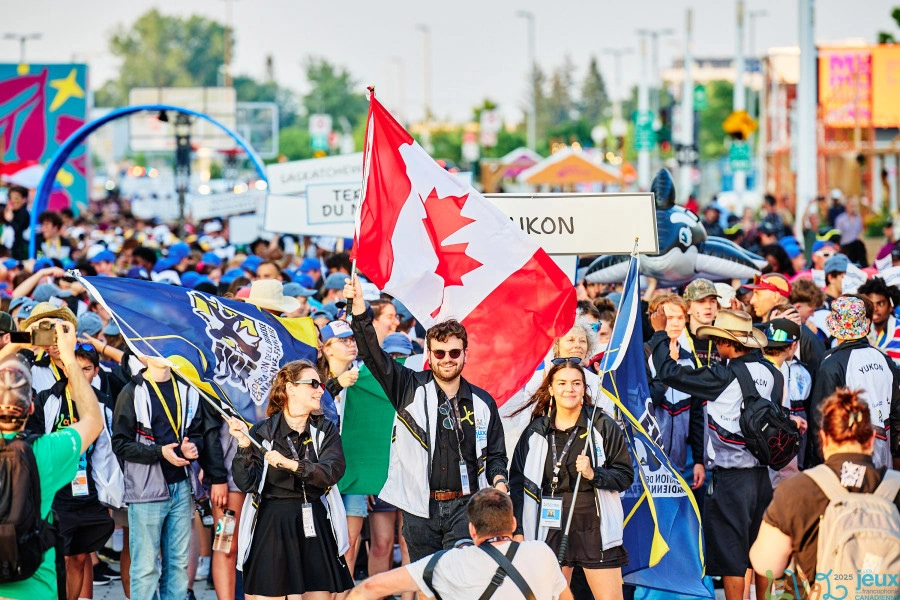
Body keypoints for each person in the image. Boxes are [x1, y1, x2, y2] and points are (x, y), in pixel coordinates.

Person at [345, 274, 509, 561]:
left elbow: (496, 454)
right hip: (420, 507)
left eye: (454, 352)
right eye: (440, 352)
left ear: (465, 355)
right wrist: (359, 308)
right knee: (427, 584)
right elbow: (372, 354)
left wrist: (499, 484)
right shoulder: (408, 387)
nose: (447, 358)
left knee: (458, 580)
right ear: (429, 356)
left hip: (466, 506)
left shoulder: (483, 402)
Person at [648, 308, 782, 600]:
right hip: (764, 477)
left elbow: (670, 373)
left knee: (733, 556)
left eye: (718, 340)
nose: (716, 347)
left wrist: (659, 334)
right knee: (763, 550)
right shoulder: (773, 373)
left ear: (728, 343)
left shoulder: (724, 374)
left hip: (732, 479)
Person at [750, 389, 900, 598]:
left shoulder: (796, 490)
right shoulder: (896, 487)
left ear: (824, 438)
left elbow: (766, 563)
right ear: (872, 439)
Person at [229, 359, 353, 599]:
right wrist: (244, 446)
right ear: (290, 387)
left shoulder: (325, 429)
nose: (320, 389)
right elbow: (247, 483)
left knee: (318, 595)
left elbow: (333, 471)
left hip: (314, 519)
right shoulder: (261, 431)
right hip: (272, 522)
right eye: (313, 384)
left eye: (321, 385)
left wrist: (292, 465)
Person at [509, 361, 633, 600]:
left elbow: (625, 476)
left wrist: (594, 474)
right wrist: (520, 530)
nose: (570, 389)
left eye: (576, 383)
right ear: (551, 389)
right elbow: (518, 484)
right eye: (562, 383)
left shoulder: (602, 424)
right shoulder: (536, 431)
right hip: (550, 524)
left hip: (595, 525)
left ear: (584, 389)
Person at [0, 323, 104, 599]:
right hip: (35, 583)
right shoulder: (45, 451)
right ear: (32, 407)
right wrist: (69, 358)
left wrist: (22, 339)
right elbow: (93, 421)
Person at [24, 343, 122, 600]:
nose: (81, 373)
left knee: (80, 558)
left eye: (87, 369)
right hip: (58, 494)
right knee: (63, 559)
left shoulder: (104, 404)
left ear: (96, 371)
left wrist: (109, 492)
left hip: (90, 493)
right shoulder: (47, 399)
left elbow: (110, 451)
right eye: (75, 368)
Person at [347, 488, 573, 600]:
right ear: (513, 524)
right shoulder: (541, 553)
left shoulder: (447, 563)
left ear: (472, 530)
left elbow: (370, 588)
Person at [110, 357, 213, 600]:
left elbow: (196, 433)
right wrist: (159, 452)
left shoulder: (187, 389)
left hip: (181, 486)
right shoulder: (132, 391)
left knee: (177, 565)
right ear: (142, 354)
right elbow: (120, 444)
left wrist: (192, 447)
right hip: (146, 490)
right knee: (145, 568)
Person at [808, 296, 900, 470]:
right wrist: (895, 451)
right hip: (885, 449)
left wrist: (820, 460)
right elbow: (897, 409)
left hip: (849, 452)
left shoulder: (831, 363)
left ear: (835, 328)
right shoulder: (883, 359)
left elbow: (820, 416)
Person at [646, 294, 706, 488]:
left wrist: (699, 460)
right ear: (655, 319)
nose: (675, 323)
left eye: (680, 318)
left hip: (681, 463)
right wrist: (667, 368)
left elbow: (696, 414)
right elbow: (646, 403)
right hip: (647, 463)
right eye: (669, 318)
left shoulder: (689, 360)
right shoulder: (643, 354)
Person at [745, 273, 825, 376]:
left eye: (757, 294)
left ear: (775, 297)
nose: (752, 300)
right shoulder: (755, 324)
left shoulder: (805, 337)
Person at [760, 319, 811, 480]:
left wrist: (790, 417)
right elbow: (770, 416)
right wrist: (791, 422)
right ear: (792, 346)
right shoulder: (775, 372)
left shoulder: (764, 366)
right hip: (773, 452)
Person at [858, 276, 900, 366]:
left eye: (880, 303)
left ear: (891, 306)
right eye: (870, 304)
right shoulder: (860, 331)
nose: (875, 309)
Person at [835, 197, 866, 265]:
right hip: (846, 247)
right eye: (851, 206)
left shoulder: (858, 218)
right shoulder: (840, 219)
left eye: (854, 206)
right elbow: (838, 235)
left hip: (856, 247)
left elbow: (860, 232)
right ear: (846, 207)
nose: (853, 208)